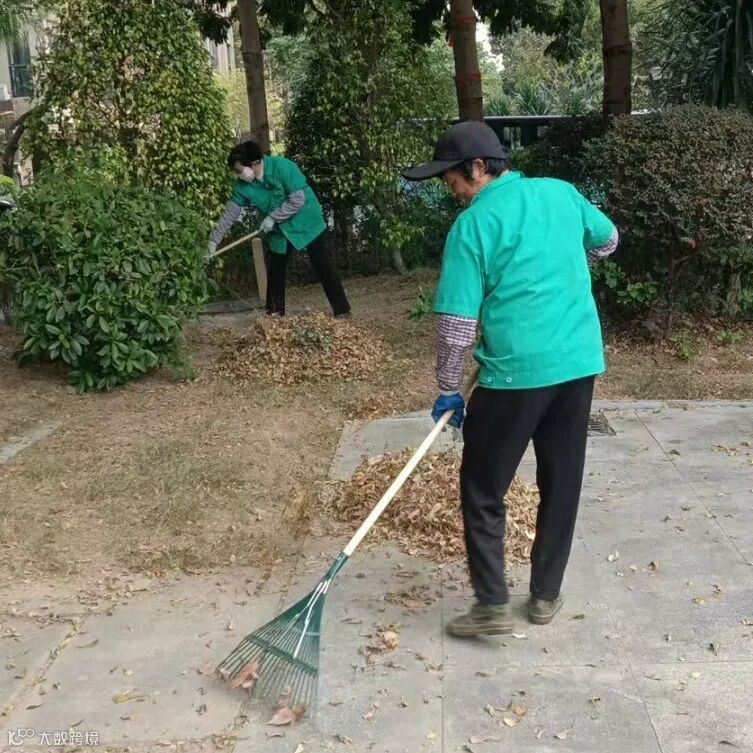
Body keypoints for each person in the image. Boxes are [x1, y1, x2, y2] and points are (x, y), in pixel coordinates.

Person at [403, 121, 618, 637]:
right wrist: (566, 265)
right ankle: (545, 594)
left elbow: (457, 325)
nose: (451, 189)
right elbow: (608, 241)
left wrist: (448, 388)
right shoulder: (561, 194)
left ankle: (492, 604)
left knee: (482, 487)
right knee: (561, 481)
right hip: (577, 365)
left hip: (513, 376)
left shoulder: (473, 226)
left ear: (479, 168)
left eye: (453, 179)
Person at [209, 141, 351, 318]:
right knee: (276, 269)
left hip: (306, 221)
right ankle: (275, 316)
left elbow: (297, 199)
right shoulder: (242, 186)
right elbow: (230, 213)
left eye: (240, 171)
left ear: (254, 163)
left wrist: (273, 217)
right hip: (279, 231)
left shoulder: (282, 167)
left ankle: (342, 310)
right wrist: (214, 241)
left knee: (322, 263)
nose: (238, 175)